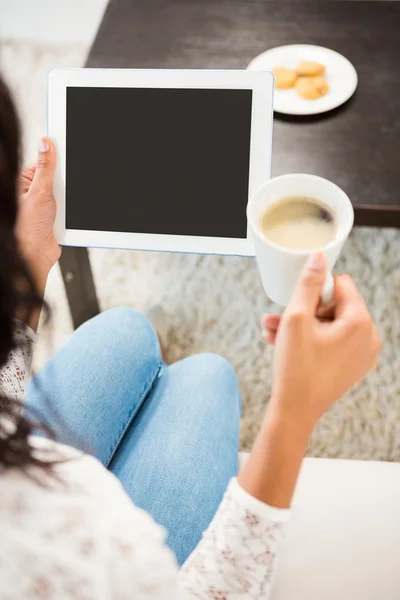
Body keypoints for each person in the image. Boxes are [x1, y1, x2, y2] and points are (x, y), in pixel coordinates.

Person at [0, 74, 381, 599]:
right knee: (208, 375)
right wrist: (295, 412)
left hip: (17, 459)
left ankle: (153, 353)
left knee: (125, 327)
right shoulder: (85, 558)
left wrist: (27, 263)